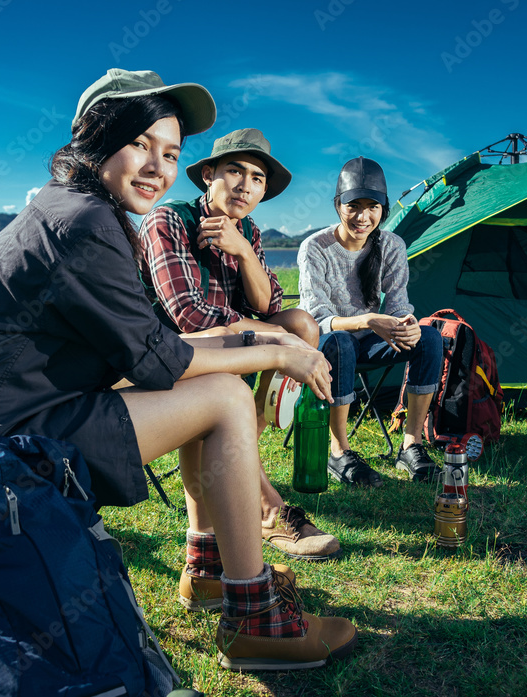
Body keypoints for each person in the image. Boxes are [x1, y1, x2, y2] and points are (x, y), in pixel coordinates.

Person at [0, 68, 357, 672]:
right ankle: (255, 622)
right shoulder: (87, 223)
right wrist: (281, 351)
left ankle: (209, 568)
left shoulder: (77, 209)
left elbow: (151, 345)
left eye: (171, 153)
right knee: (228, 397)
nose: (158, 166)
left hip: (7, 414)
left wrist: (252, 335)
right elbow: (158, 358)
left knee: (217, 384)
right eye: (140, 144)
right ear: (96, 141)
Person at [139, 128, 340, 562]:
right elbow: (187, 317)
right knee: (280, 337)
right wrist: (270, 337)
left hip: (231, 347)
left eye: (257, 178)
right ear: (208, 175)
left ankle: (234, 459)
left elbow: (267, 303)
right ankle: (267, 507)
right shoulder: (168, 220)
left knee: (303, 324)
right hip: (173, 356)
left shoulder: (248, 228)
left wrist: (245, 251)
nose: (246, 185)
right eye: (235, 171)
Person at [298, 156, 443, 487]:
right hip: (328, 344)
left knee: (430, 339)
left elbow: (398, 302)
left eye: (373, 207)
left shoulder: (392, 245)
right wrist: (369, 320)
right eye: (354, 206)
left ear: (384, 208)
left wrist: (404, 322)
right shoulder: (315, 247)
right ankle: (339, 451)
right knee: (342, 343)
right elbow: (318, 318)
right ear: (338, 205)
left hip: (374, 340)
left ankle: (412, 445)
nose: (363, 217)